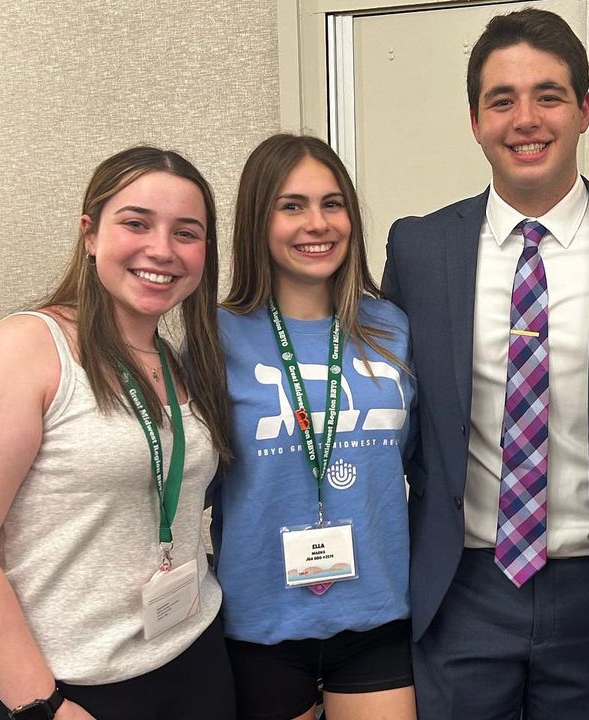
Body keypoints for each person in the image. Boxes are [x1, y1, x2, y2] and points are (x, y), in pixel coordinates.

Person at [381, 8, 589, 719]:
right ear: (475, 120)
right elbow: (389, 409)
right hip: (461, 587)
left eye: (549, 95)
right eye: (502, 100)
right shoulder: (418, 250)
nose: (525, 119)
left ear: (584, 109)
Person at [0, 146, 235, 719]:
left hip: (189, 654)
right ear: (90, 234)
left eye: (186, 233)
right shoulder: (28, 349)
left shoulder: (179, 361)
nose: (161, 249)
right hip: (62, 685)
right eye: (136, 223)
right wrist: (44, 705)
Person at [213, 133, 416, 720]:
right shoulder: (215, 336)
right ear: (258, 219)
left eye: (333, 204)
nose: (317, 223)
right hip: (260, 622)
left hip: (377, 612)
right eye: (292, 205)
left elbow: (420, 458)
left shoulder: (392, 329)